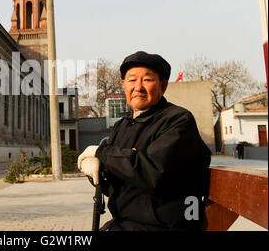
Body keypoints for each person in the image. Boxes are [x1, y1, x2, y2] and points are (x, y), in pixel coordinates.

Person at [78, 51, 211, 231]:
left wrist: (101, 152)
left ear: (163, 86)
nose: (138, 87)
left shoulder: (178, 121)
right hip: (123, 224)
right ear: (124, 86)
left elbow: (154, 172)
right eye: (132, 80)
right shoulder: (121, 126)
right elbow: (113, 185)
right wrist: (94, 170)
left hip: (164, 226)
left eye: (147, 80)